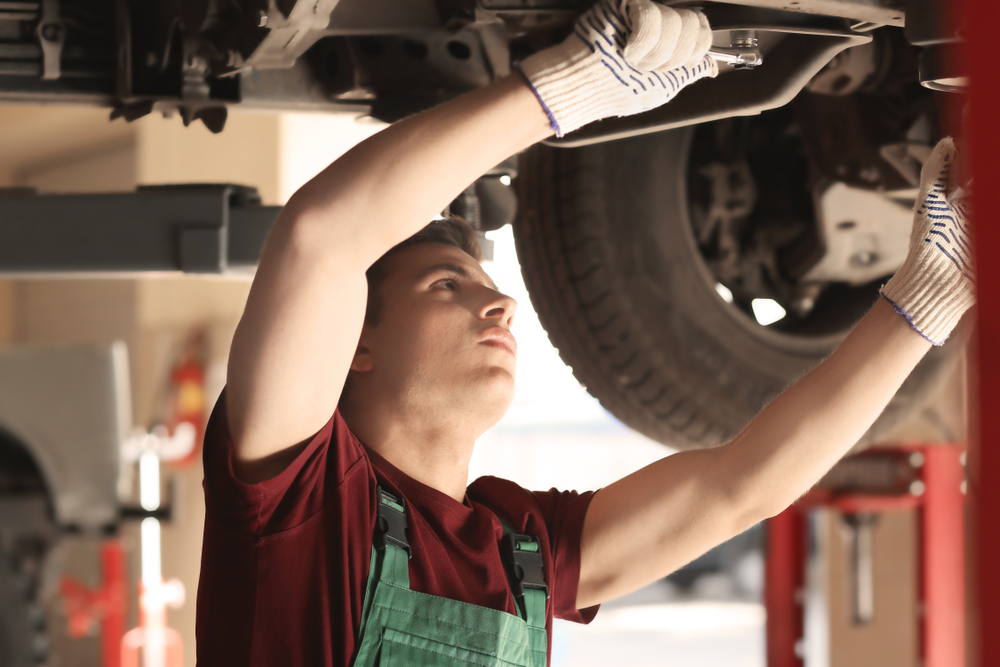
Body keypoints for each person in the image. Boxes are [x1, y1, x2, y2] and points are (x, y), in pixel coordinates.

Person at [195, 0, 975, 665]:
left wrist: (926, 299)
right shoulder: (303, 500)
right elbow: (321, 238)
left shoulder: (509, 544)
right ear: (353, 347)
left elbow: (736, 484)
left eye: (490, 288)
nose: (499, 307)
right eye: (447, 285)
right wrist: (568, 86)